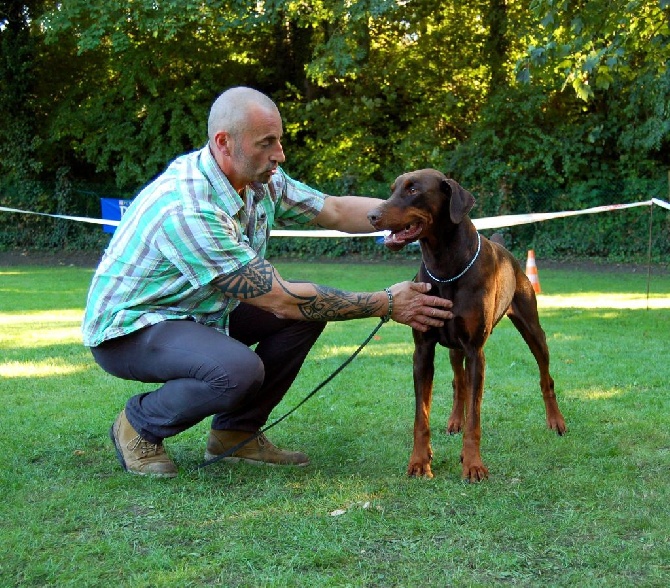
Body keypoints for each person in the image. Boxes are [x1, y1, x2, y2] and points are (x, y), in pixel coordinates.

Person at [82, 86, 453, 478]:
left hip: (201, 309)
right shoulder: (188, 207)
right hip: (132, 328)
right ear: (224, 143)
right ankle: (138, 425)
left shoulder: (260, 178)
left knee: (305, 315)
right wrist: (386, 302)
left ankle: (234, 434)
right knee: (238, 368)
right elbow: (280, 299)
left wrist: (406, 213)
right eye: (267, 143)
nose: (280, 154)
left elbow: (335, 210)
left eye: (279, 140)